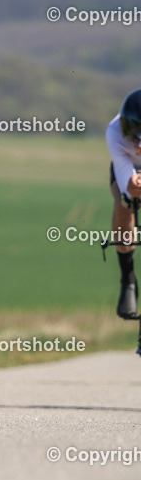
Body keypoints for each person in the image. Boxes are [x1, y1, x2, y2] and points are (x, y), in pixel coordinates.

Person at [106, 89, 141, 345]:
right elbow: (124, 176)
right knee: (122, 203)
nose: (138, 143)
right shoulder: (114, 131)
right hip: (129, 170)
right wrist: (131, 189)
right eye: (133, 132)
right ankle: (128, 278)